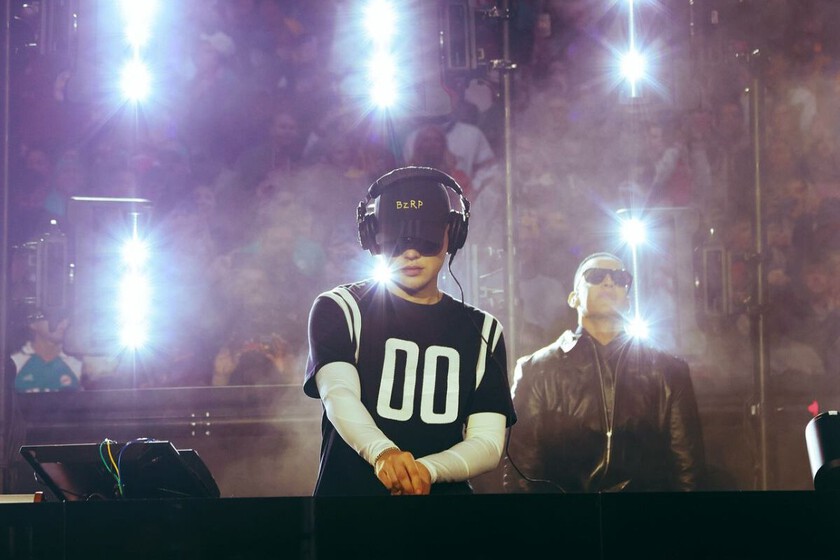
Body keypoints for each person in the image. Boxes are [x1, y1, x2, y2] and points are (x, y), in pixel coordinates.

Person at [303, 166, 516, 496]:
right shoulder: (340, 307)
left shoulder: (483, 330)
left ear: (453, 234)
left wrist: (427, 471)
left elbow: (488, 442)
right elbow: (338, 394)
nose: (411, 253)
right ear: (372, 237)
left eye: (425, 238)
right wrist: (383, 454)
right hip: (350, 512)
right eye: (397, 239)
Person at [504, 252, 705, 493]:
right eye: (596, 276)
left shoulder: (668, 370)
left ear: (628, 300)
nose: (609, 282)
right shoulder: (537, 369)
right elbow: (522, 470)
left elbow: (688, 469)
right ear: (574, 298)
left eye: (620, 279)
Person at [12, 308, 82, 393]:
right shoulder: (14, 362)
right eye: (54, 317)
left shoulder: (78, 365)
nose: (64, 323)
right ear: (33, 323)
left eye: (66, 318)